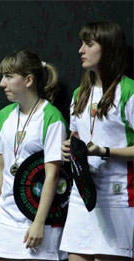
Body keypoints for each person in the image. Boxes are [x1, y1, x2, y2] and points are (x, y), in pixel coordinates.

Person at [0, 50, 68, 260]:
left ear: (29, 80)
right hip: (7, 218)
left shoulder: (51, 117)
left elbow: (53, 176)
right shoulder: (4, 115)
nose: (2, 83)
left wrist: (39, 223)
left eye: (9, 77)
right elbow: (0, 167)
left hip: (39, 219)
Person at [60, 21, 134, 260]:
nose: (81, 50)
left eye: (89, 44)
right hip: (82, 195)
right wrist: (69, 149)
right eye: (82, 43)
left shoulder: (129, 91)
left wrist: (105, 151)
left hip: (118, 196)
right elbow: (76, 138)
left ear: (109, 49)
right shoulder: (80, 93)